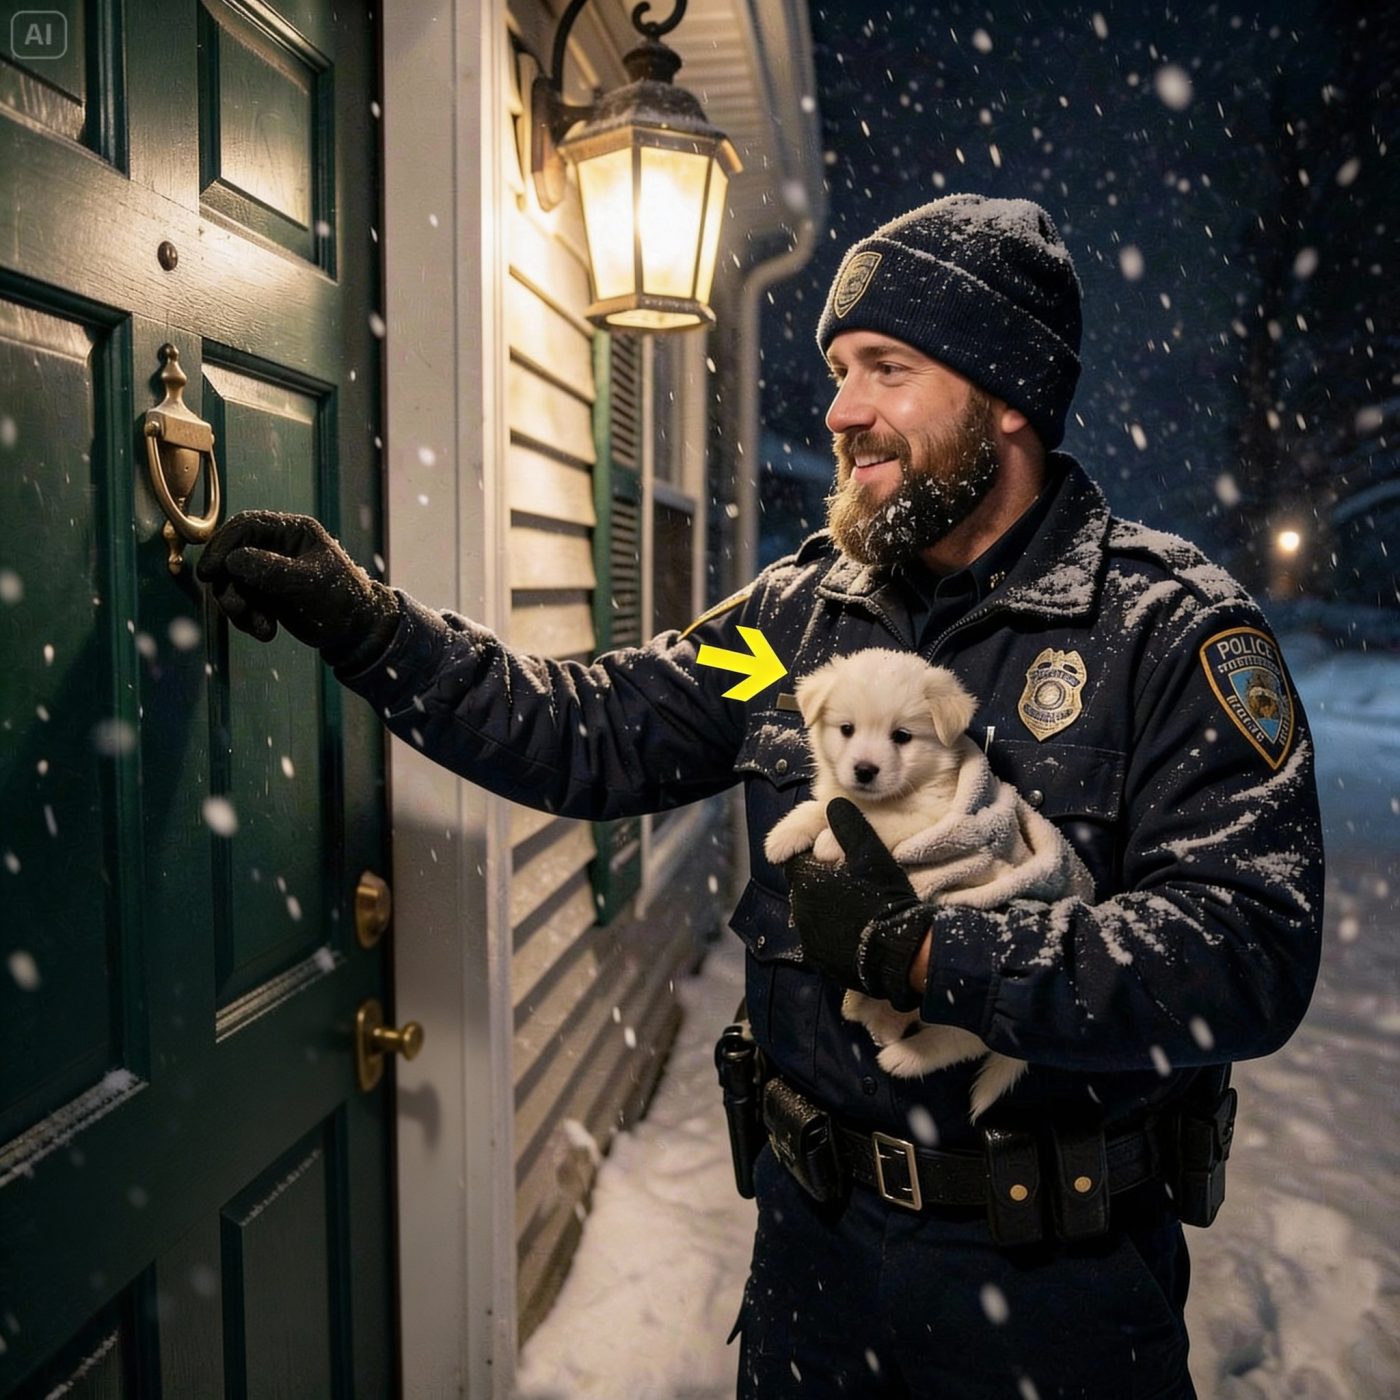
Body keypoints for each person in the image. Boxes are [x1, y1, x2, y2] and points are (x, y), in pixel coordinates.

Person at [197, 195, 1325, 1398]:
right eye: (838, 371)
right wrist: (374, 631)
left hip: (1054, 1302)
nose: (841, 412)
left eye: (885, 369)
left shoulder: (1156, 634)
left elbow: (1244, 947)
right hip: (814, 1279)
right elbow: (598, 728)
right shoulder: (794, 630)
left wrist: (936, 951)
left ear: (1006, 398)